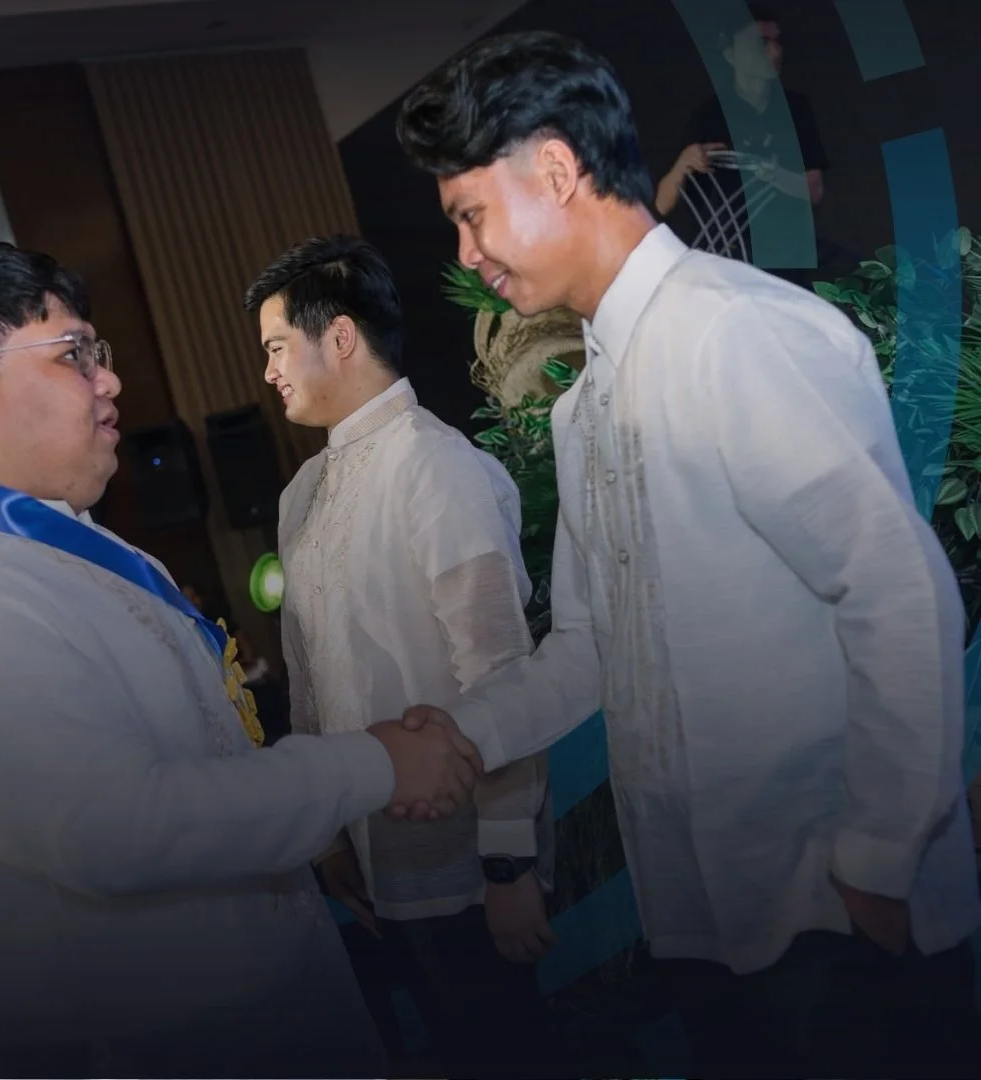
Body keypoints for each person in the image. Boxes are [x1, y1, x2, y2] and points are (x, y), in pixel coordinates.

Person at [395, 29, 981, 1078]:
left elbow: (896, 592)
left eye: (470, 214)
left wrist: (879, 859)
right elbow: (590, 645)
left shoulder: (737, 334)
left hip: (835, 911)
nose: (467, 255)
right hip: (703, 919)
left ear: (558, 171)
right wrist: (462, 735)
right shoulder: (580, 411)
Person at [0, 240, 484, 1078]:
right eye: (74, 355)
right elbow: (115, 828)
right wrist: (372, 765)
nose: (109, 380)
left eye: (99, 352)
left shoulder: (62, 545)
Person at [248, 234, 564, 1076]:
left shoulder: (436, 464)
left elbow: (500, 674)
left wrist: (509, 864)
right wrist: (328, 836)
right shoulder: (301, 493)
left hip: (465, 859)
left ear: (340, 337)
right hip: (371, 856)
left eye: (277, 347)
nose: (269, 371)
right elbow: (308, 681)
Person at [654, 5, 828, 285]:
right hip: (727, 260)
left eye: (777, 42)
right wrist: (683, 163)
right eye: (762, 43)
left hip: (785, 261)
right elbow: (661, 205)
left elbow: (814, 190)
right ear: (730, 54)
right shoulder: (710, 115)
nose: (775, 52)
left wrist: (768, 172)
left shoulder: (795, 109)